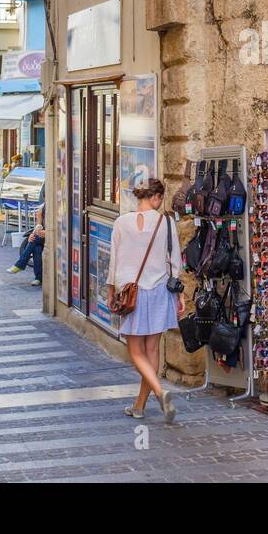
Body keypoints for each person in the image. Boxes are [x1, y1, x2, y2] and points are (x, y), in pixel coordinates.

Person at [108, 179, 182, 422]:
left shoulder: (121, 222)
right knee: (151, 350)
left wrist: (111, 291)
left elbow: (114, 261)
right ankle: (140, 406)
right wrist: (180, 295)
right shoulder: (166, 222)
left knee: (135, 352)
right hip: (160, 289)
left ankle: (160, 393)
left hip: (132, 292)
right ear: (157, 197)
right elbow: (175, 261)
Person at [8, 198, 44, 287]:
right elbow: (38, 227)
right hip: (42, 237)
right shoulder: (43, 208)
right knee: (37, 249)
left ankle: (21, 264)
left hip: (52, 236)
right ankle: (38, 278)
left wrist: (45, 232)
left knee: (35, 239)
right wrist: (33, 232)